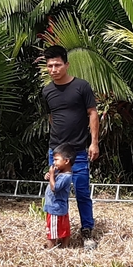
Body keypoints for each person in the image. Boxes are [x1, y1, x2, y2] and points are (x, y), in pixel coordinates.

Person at [42, 46, 99, 249]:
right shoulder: (47, 91)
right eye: (49, 66)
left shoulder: (81, 87)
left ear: (67, 64)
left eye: (57, 64)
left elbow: (92, 113)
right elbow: (51, 117)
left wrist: (94, 142)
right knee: (55, 192)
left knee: (82, 192)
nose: (53, 69)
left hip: (79, 152)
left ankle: (86, 231)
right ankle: (56, 234)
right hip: (56, 152)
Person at [44, 143, 75, 249]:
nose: (54, 162)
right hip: (60, 207)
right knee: (63, 226)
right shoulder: (62, 173)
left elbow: (54, 188)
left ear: (66, 161)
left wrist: (52, 175)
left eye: (56, 159)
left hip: (55, 208)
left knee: (52, 229)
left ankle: (51, 246)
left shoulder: (65, 176)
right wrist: (49, 176)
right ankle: (65, 245)